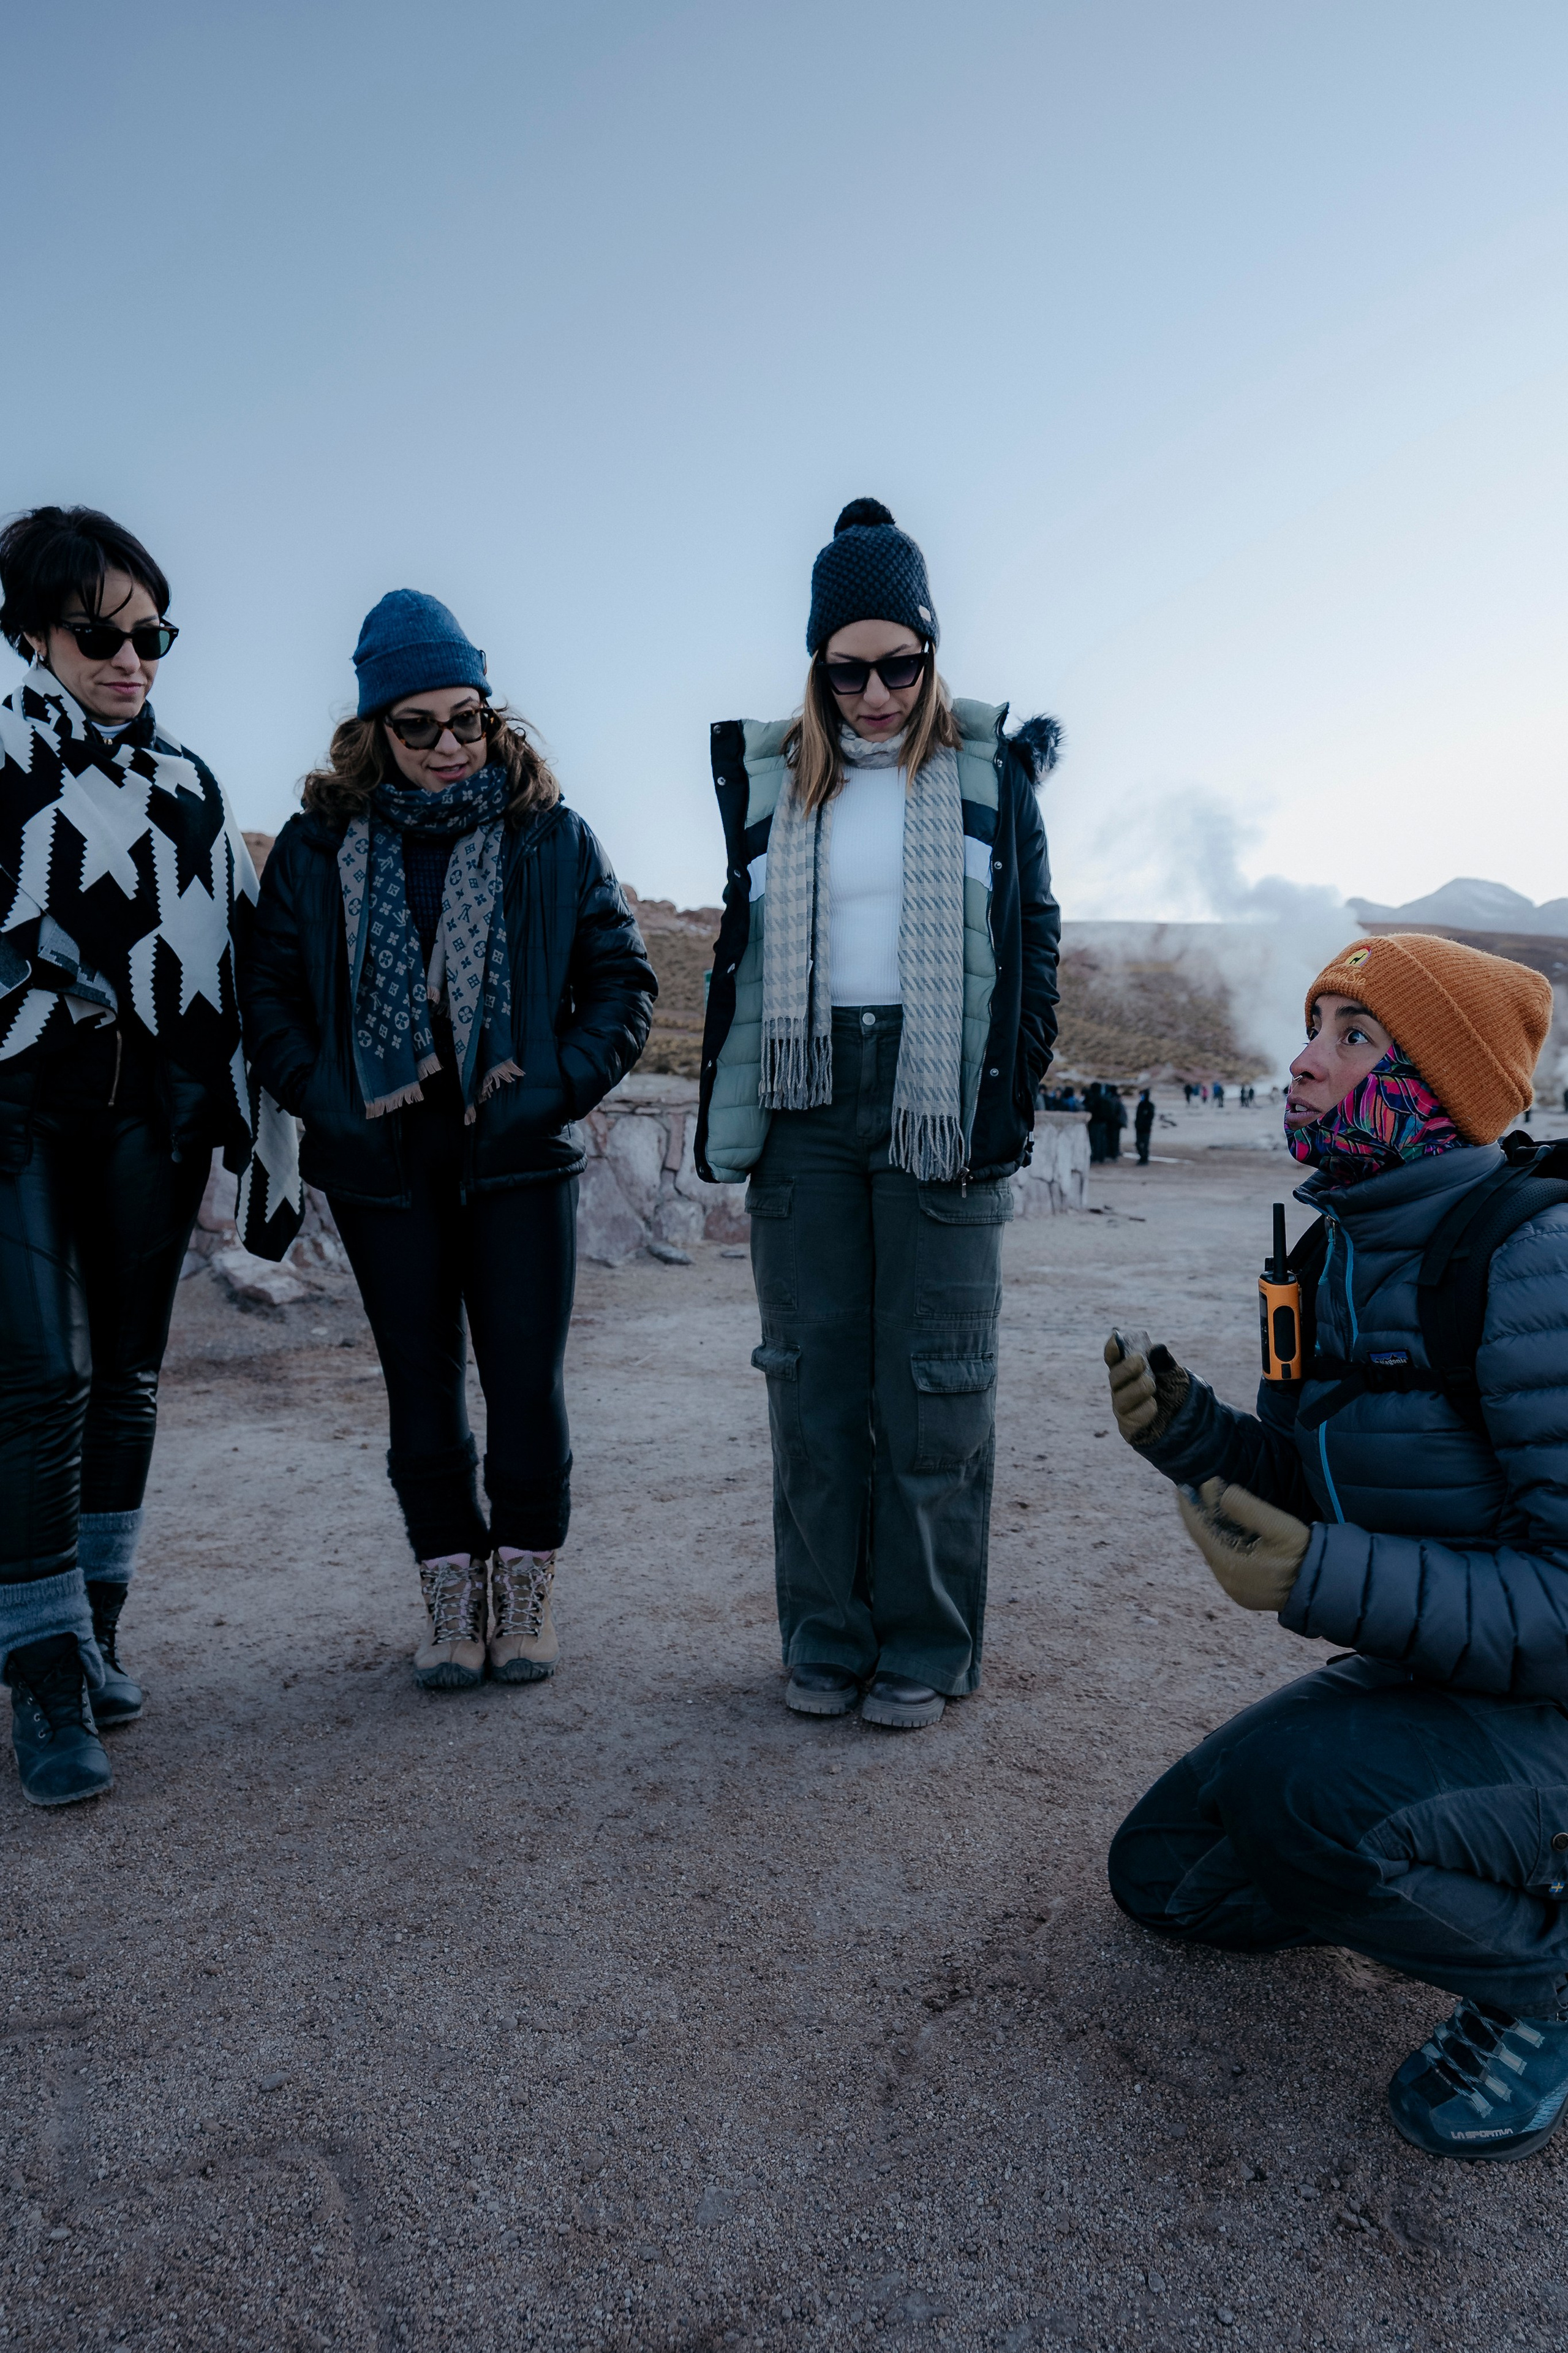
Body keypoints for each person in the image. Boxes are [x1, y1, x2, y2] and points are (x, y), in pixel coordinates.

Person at [1101, 932, 1568, 2161]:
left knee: (1296, 1797)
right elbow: (1311, 1489)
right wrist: (1193, 1438)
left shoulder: (1533, 1261)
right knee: (1164, 1871)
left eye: (1350, 1037)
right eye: (1312, 1027)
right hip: (1460, 1683)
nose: (1302, 1064)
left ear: (1435, 1085)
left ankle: (1541, 1979)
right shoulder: (1338, 1253)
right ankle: (1410, 1854)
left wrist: (1318, 1580)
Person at [243, 592, 654, 1692]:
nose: (446, 745)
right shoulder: (319, 846)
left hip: (517, 1150)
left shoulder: (552, 837)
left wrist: (554, 1089)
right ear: (373, 729)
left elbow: (623, 982)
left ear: (494, 718)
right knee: (419, 1392)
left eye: (466, 719)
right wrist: (327, 1096)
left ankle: (523, 1598)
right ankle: (449, 1596)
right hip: (384, 1160)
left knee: (526, 1386)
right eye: (417, 725)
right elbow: (270, 994)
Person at [695, 499, 1060, 1731]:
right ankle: (824, 1637)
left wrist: (1008, 1084)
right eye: (845, 669)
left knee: (934, 1385)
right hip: (803, 1101)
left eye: (897, 664)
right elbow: (741, 947)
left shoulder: (986, 768)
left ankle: (922, 1642)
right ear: (814, 669)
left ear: (929, 653)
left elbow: (1034, 938)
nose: (873, 693)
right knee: (811, 1388)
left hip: (936, 1098)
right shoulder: (770, 781)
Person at [0, 505, 298, 1807]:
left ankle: (99, 1627)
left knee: (125, 1379)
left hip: (148, 1123)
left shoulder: (190, 786)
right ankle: (43, 1673)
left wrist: (257, 1120)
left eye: (152, 634)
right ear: (28, 631)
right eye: (98, 633)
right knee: (36, 1385)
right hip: (12, 1112)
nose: (132, 659)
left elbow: (234, 956)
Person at [1133, 1089, 1155, 1165]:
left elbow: (1150, 1118)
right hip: (1139, 1128)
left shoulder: (1150, 1106)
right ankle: (1142, 1157)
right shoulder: (1140, 1105)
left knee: (1145, 1145)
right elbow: (1138, 1117)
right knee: (1138, 1144)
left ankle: (1145, 1159)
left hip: (1146, 1129)